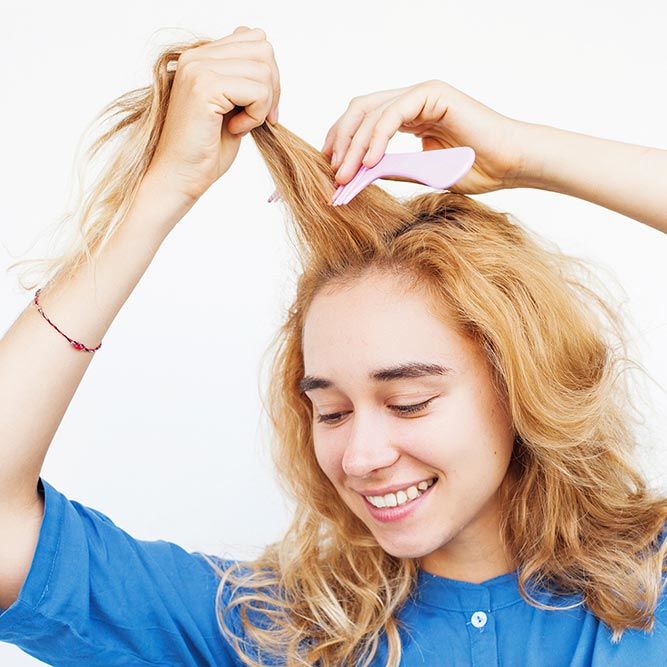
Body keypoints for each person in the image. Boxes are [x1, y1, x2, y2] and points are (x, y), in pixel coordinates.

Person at [0, 23, 666, 667]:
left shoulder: (651, 587)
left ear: (520, 383)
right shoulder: (263, 629)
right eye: (331, 411)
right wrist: (163, 189)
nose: (360, 456)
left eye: (407, 401)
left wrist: (524, 155)